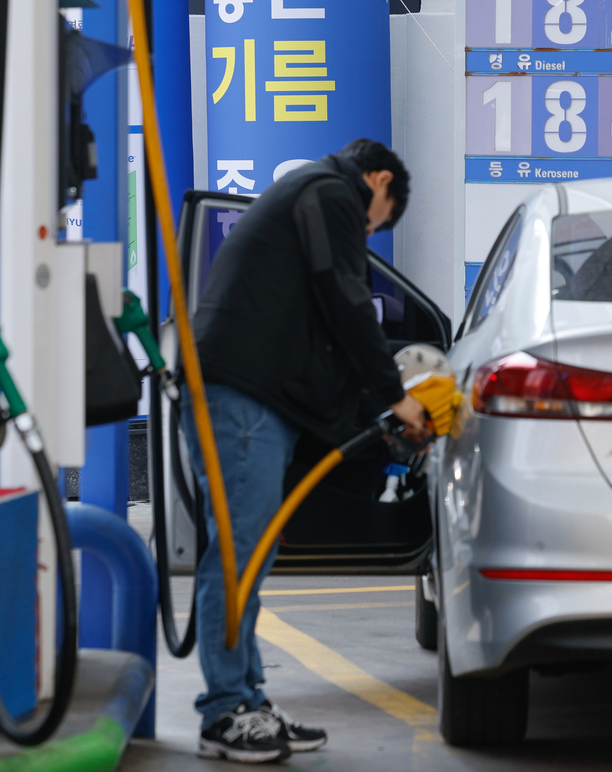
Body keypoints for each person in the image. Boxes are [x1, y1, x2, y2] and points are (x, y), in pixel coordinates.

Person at [181, 139, 429, 764]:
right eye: (375, 225)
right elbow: (345, 297)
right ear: (379, 181)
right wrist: (394, 395)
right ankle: (224, 713)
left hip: (249, 396)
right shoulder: (331, 193)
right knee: (238, 557)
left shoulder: (307, 198)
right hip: (240, 398)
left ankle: (246, 700)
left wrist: (370, 409)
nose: (365, 234)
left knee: (250, 554)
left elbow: (322, 326)